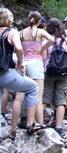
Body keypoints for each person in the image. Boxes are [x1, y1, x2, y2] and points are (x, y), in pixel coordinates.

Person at [0, 8, 39, 140]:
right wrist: (20, 63)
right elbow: (19, 48)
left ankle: (11, 127)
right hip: (6, 72)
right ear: (9, 19)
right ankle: (30, 124)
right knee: (33, 87)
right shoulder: (12, 32)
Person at [13, 11, 54, 132]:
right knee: (38, 97)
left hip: (23, 64)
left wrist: (21, 55)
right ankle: (38, 124)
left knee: (19, 97)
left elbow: (16, 46)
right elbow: (51, 39)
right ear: (39, 21)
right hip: (36, 64)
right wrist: (41, 49)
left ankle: (13, 129)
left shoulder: (20, 33)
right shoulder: (40, 31)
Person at [42, 18, 67, 138]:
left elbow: (44, 57)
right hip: (63, 73)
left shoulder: (47, 39)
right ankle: (59, 127)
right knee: (61, 99)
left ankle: (39, 123)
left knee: (44, 98)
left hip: (49, 72)